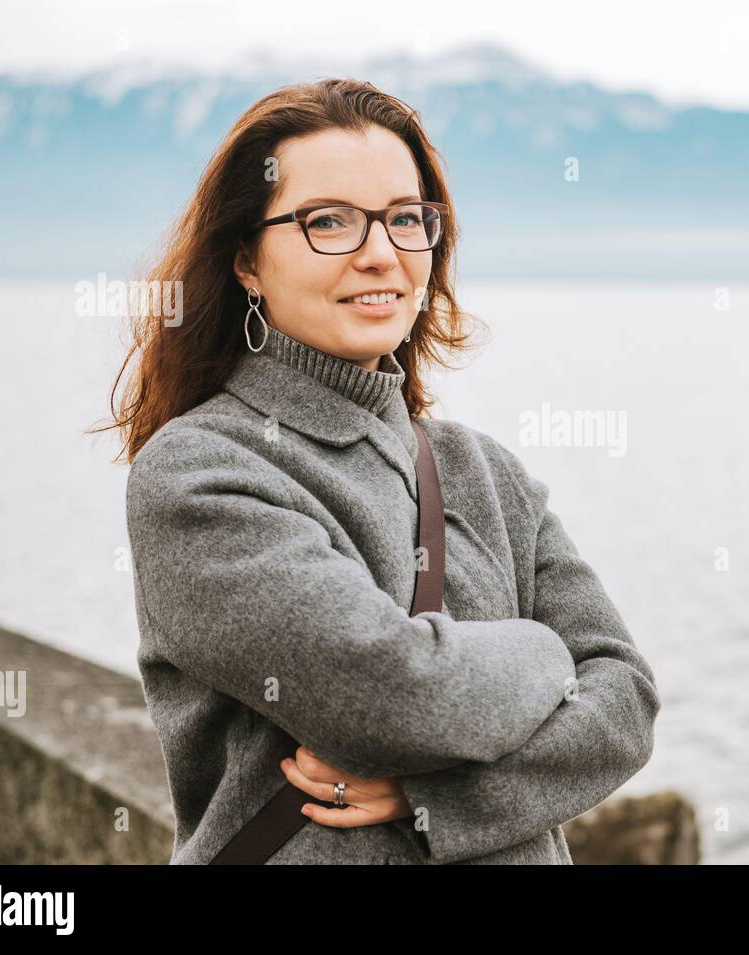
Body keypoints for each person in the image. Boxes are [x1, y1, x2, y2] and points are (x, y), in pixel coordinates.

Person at [100, 78, 660, 864]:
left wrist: (432, 799)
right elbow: (391, 695)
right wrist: (544, 647)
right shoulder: (197, 474)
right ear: (246, 262)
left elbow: (627, 700)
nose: (380, 253)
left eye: (405, 218)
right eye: (328, 220)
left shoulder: (484, 472)